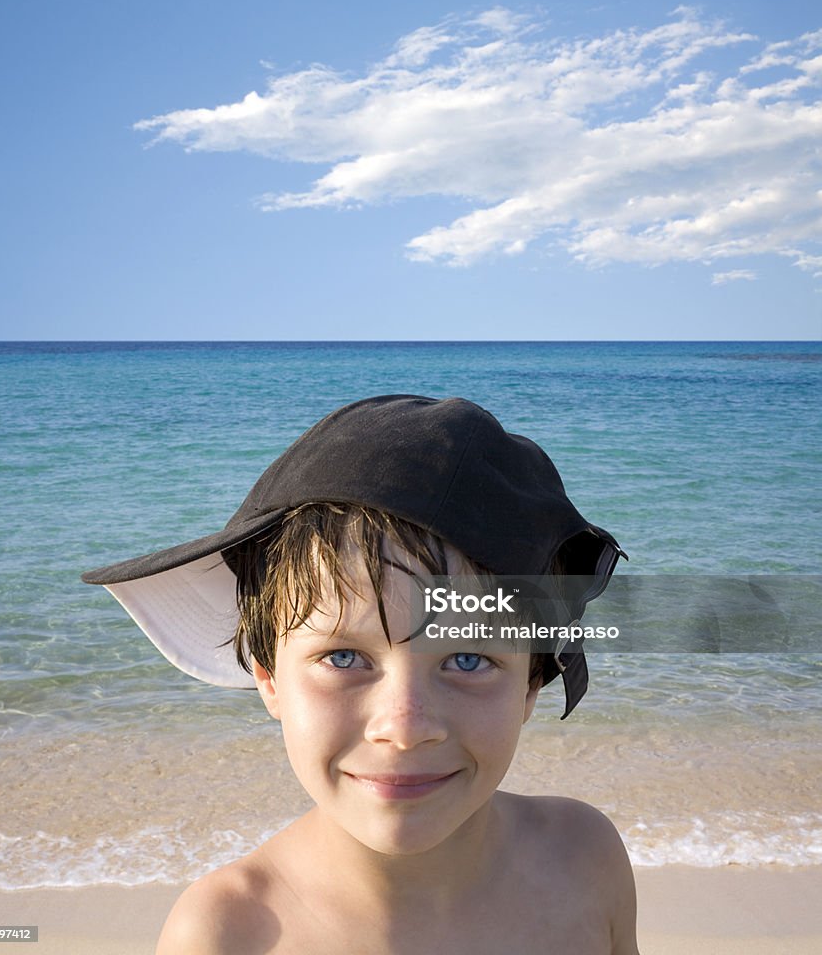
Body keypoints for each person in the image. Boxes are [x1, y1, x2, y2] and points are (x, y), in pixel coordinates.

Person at [83, 395, 639, 954]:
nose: (404, 729)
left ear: (530, 685)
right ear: (268, 676)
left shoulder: (585, 861)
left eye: (466, 659)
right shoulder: (225, 934)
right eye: (344, 658)